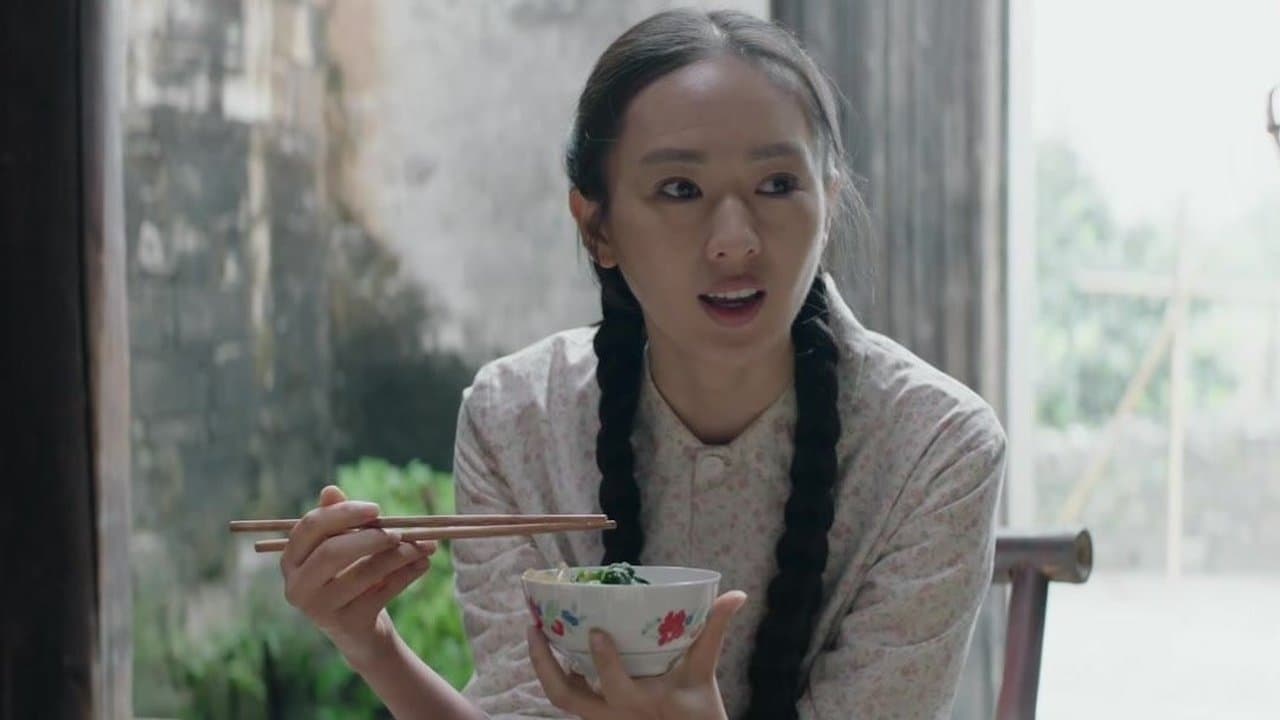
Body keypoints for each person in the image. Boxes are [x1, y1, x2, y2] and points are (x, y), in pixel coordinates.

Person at [278, 8, 1005, 719]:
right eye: (680, 190)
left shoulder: (937, 447)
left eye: (778, 185)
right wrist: (371, 645)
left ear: (830, 202)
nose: (735, 240)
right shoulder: (517, 419)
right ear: (597, 228)